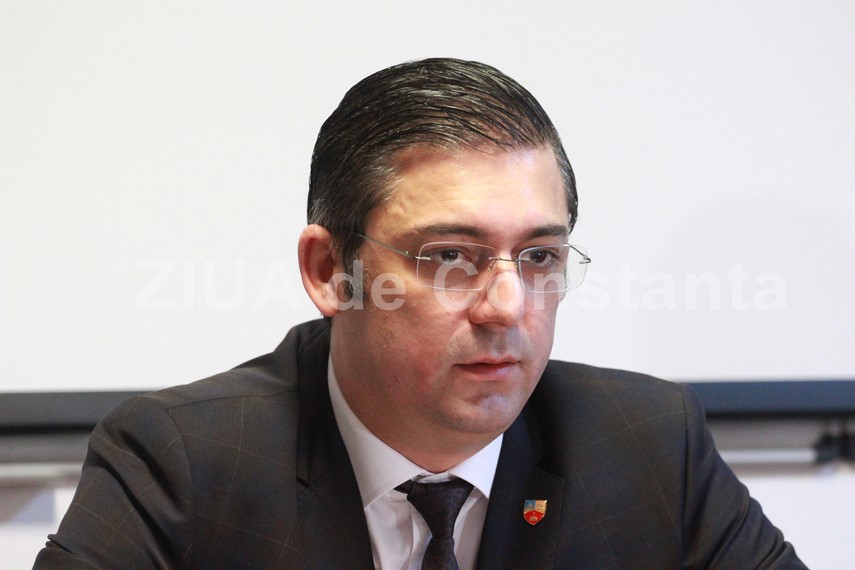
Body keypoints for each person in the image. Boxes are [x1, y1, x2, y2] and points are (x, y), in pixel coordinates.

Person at [34, 58, 805, 569]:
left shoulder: (647, 445)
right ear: (329, 271)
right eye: (450, 257)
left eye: (539, 256)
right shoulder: (181, 462)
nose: (508, 306)